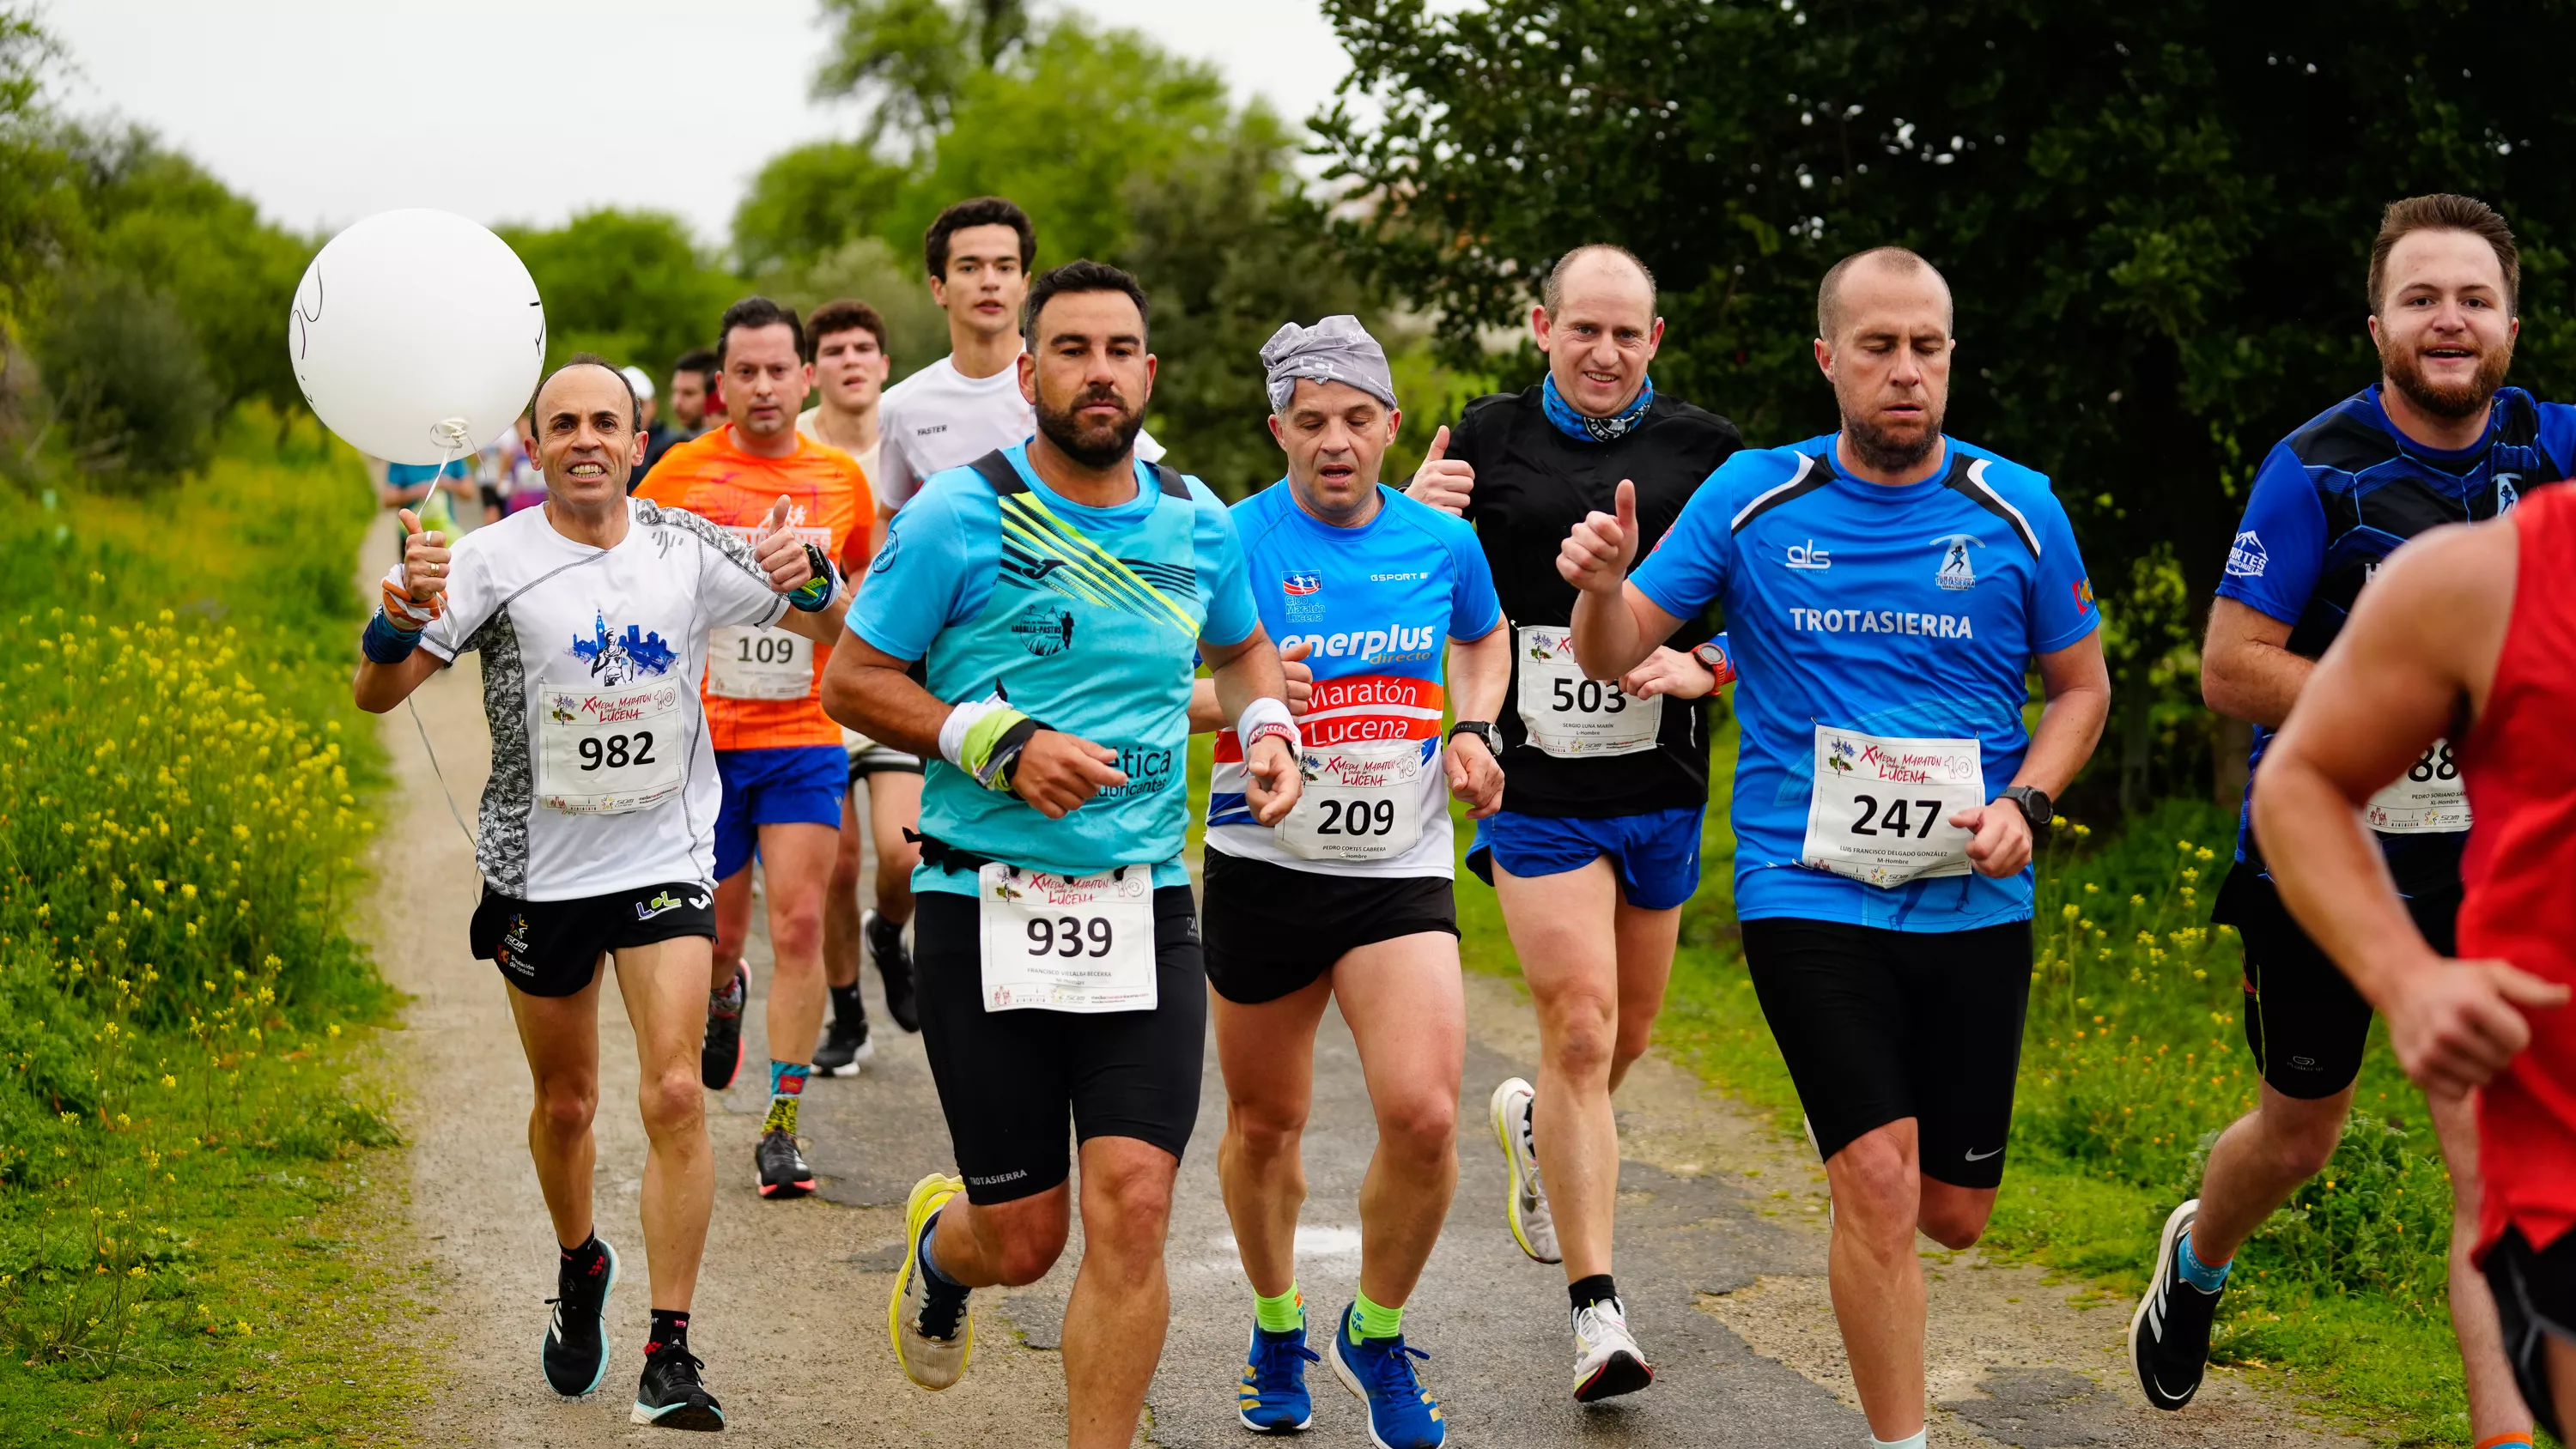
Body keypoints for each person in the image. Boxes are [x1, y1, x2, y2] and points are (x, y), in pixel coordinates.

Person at [1562, 246, 2111, 1449]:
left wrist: (2032, 800)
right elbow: (1611, 656)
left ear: (1952, 361)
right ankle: (1899, 1440)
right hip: (1806, 888)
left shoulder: (2017, 504)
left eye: (1926, 348)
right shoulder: (1756, 496)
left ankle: (1883, 1167)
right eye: (1878, 347)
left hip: (1972, 892)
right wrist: (1601, 591)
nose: (1904, 371)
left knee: (1954, 1213)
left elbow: (2081, 689)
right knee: (1873, 1182)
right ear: (1830, 360)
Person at [820, 261, 1300, 1449]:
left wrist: (1268, 728)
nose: (1099, 371)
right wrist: (994, 740)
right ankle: (948, 1249)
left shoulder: (1199, 519)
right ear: (1028, 371)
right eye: (1072, 349)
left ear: (1150, 371)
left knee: (1134, 1209)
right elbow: (856, 680)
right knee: (1026, 1244)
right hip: (981, 898)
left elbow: (1243, 655)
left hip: (1143, 904)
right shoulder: (956, 514)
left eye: (1120, 349)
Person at [2130, 194, 2568, 1444]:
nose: (2451, 321)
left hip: (2492, 879)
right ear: (2378, 322)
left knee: (2495, 1178)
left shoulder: (2557, 451)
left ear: (2511, 323)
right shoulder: (2314, 467)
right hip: (2323, 862)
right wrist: (2405, 705)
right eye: (2423, 298)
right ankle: (2200, 1258)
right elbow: (2230, 665)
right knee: (2297, 1133)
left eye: (2475, 299)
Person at [352, 355, 851, 1430]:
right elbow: (376, 692)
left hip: (666, 855)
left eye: (606, 422)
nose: (586, 438)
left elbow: (827, 628)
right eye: (563, 422)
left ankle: (669, 1350)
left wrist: (809, 572)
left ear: (637, 441)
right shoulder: (487, 559)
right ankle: (582, 1263)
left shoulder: (682, 541)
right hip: (540, 872)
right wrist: (398, 615)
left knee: (673, 1091)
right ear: (532, 444)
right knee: (566, 1102)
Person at [1402, 243, 1742, 1398]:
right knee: (1586, 1028)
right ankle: (1598, 1314)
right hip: (1532, 782)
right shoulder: (1485, 440)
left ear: (1655, 341)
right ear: (1542, 327)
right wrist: (1412, 512)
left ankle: (1542, 1129)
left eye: (1626, 334)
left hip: (1658, 785)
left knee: (1629, 1034)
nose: (1603, 353)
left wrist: (1708, 666)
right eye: (1581, 330)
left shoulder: (1710, 453)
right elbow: (1412, 583)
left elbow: (1767, 602)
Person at [1194, 316, 1508, 1447]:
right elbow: (1166, 687)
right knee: (1266, 1123)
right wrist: (1258, 696)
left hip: (1398, 868)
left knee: (1424, 1115)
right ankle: (1277, 1326)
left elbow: (1484, 637)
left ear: (1388, 427)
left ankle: (1374, 1332)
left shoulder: (1439, 540)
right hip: (1265, 866)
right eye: (1312, 421)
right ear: (1277, 426)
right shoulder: (1227, 540)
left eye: (1358, 420)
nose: (1336, 441)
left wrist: (1475, 729)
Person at [2246, 482, 2576, 1446]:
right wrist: (2407, 977)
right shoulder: (2485, 576)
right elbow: (2300, 776)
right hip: (2562, 1150)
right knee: (2298, 1132)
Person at [636, 299, 874, 1201]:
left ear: (806, 377)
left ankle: (782, 1123)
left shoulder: (841, 478)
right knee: (723, 936)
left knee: (803, 922)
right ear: (722, 382)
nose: (765, 386)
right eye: (747, 371)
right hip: (703, 744)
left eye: (782, 370)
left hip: (804, 735)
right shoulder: (678, 474)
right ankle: (726, 992)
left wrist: (823, 591)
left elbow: (865, 602)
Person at [795, 296, 924, 1067]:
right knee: (836, 863)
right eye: (834, 350)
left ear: (883, 364)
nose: (850, 361)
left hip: (896, 680)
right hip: (810, 685)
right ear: (814, 372)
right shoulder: (796, 446)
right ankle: (847, 1014)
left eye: (863, 349)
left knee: (903, 852)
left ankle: (890, 932)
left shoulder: (909, 439)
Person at [872, 197, 1164, 533]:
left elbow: (1148, 494)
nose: (990, 282)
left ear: (1024, 284)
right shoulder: (900, 406)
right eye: (969, 267)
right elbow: (888, 517)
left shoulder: (1072, 381)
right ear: (939, 288)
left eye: (1005, 267)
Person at [640, 349, 719, 482]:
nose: (677, 402)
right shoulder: (665, 454)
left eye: (688, 393)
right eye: (675, 392)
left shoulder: (738, 450)